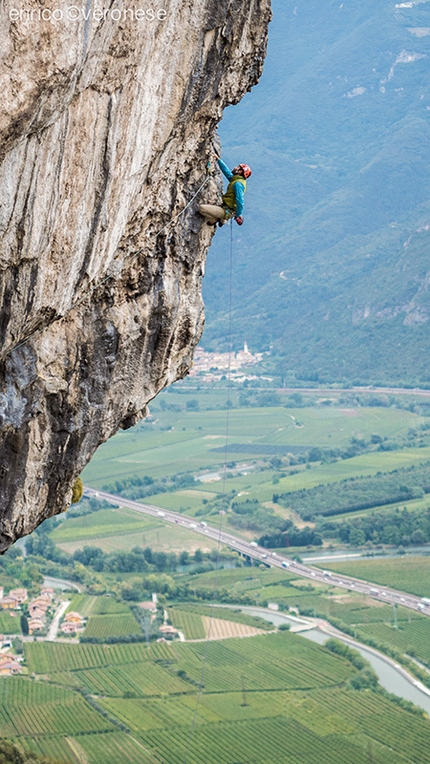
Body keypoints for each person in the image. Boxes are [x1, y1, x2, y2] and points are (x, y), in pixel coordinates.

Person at [199, 156, 252, 227]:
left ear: (240, 172)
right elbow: (227, 173)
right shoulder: (236, 180)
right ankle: (222, 219)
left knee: (201, 208)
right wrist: (218, 160)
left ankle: (215, 218)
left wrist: (238, 215)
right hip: (226, 206)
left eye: (238, 168)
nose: (235, 167)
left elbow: (240, 201)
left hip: (227, 211)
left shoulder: (238, 184)